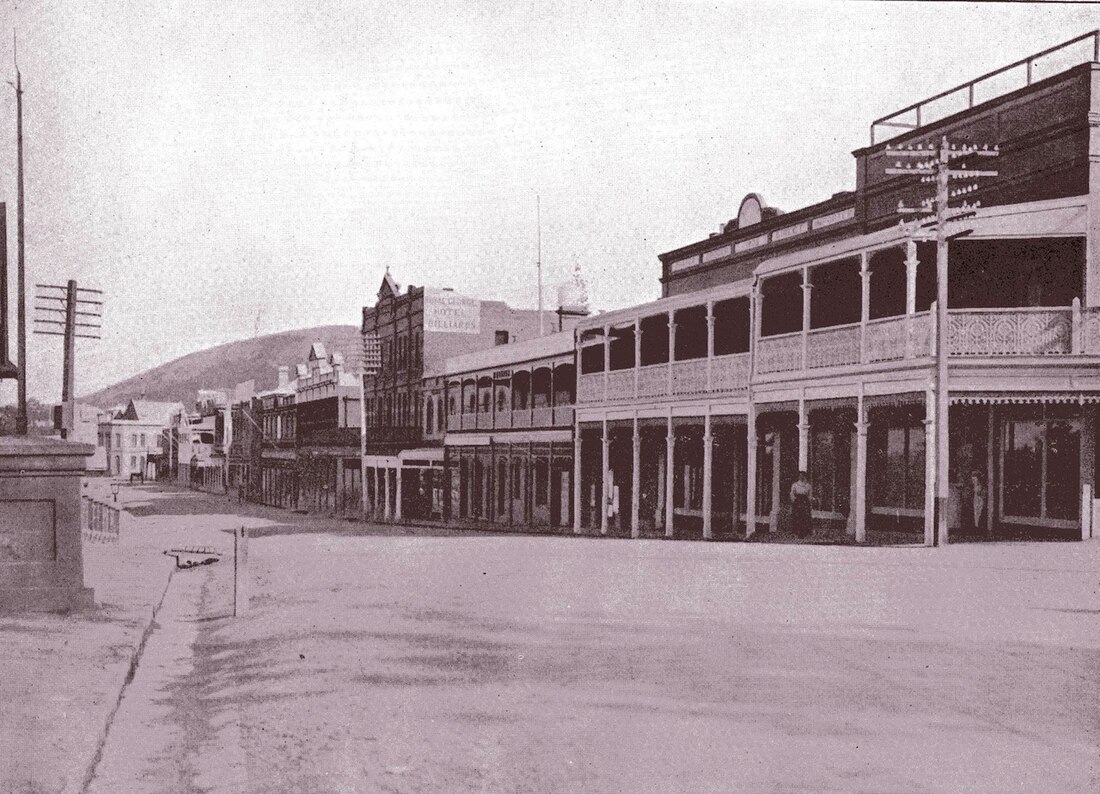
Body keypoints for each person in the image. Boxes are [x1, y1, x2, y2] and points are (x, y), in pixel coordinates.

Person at [790, 470, 813, 538]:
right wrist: (794, 501)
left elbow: (810, 495)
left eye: (803, 476)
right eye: (800, 476)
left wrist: (809, 501)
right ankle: (797, 531)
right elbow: (792, 494)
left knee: (804, 517)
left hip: (805, 502)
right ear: (798, 477)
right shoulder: (795, 485)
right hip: (798, 501)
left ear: (805, 476)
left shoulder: (808, 485)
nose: (801, 477)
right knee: (797, 516)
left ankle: (804, 531)